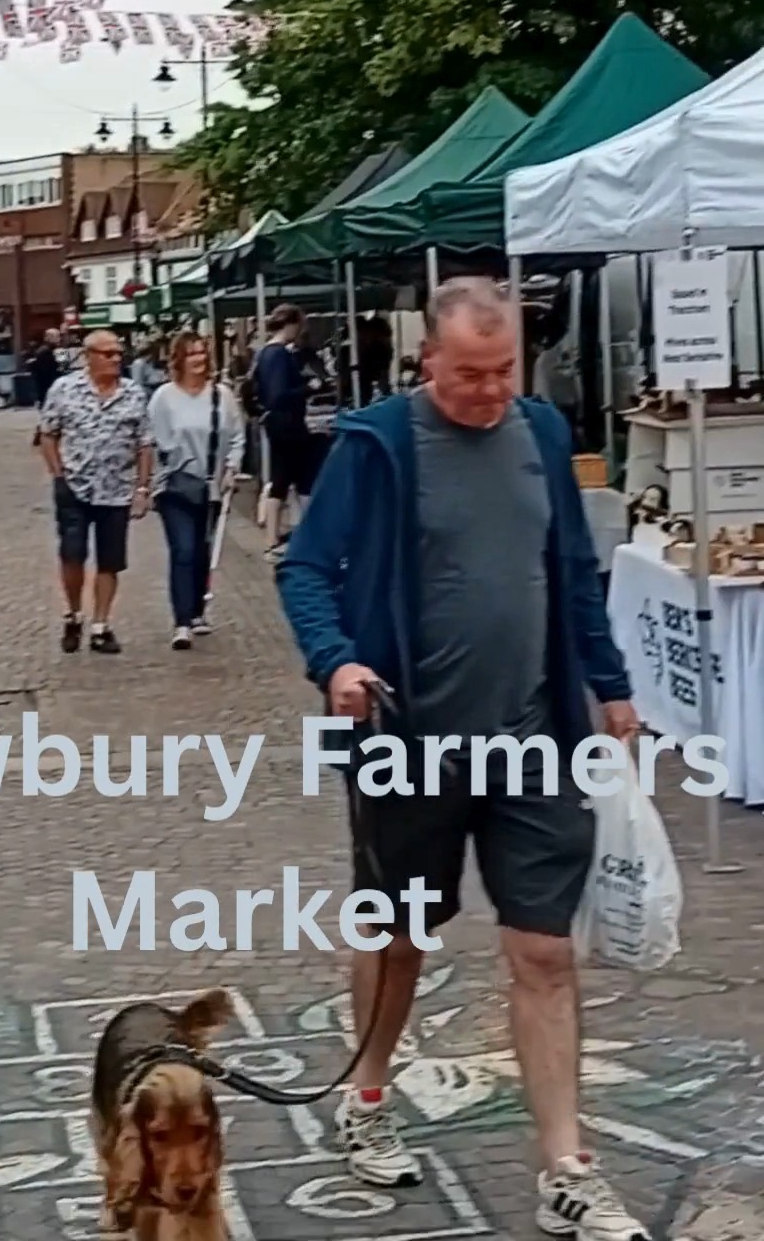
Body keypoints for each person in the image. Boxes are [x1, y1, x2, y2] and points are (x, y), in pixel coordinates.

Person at [276, 276, 647, 1241]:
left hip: (530, 737)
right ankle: (365, 1097)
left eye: (502, 372)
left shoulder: (542, 435)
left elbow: (570, 569)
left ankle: (566, 1166)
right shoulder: (378, 444)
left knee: (545, 948)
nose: (488, 392)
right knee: (399, 934)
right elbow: (306, 565)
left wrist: (608, 685)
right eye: (468, 375)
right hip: (407, 738)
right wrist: (338, 660)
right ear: (427, 359)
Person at [38, 326, 153, 655]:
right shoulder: (64, 389)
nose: (116, 359)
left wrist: (142, 487)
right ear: (89, 357)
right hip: (75, 486)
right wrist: (58, 476)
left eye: (119, 353)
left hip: (116, 489)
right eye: (109, 354)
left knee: (110, 560)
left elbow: (144, 444)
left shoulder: (133, 393)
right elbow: (48, 434)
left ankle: (101, 625)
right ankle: (73, 614)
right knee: (72, 554)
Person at [148, 332, 244, 649]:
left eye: (202, 353)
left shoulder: (222, 396)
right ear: (179, 359)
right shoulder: (164, 397)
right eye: (191, 354)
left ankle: (198, 610)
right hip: (176, 485)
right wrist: (176, 464)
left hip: (211, 486)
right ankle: (182, 621)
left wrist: (230, 468)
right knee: (183, 550)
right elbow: (157, 439)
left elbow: (236, 436)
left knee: (202, 549)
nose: (198, 359)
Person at [254, 304, 315, 560]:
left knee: (284, 479)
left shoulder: (265, 354)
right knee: (297, 478)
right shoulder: (279, 354)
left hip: (277, 423)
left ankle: (279, 539)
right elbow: (280, 394)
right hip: (288, 423)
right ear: (291, 325)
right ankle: (286, 539)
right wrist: (308, 387)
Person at [32, 329, 62, 410]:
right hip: (47, 388)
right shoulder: (45, 352)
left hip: (48, 388)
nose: (59, 339)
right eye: (56, 337)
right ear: (48, 338)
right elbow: (46, 372)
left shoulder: (50, 350)